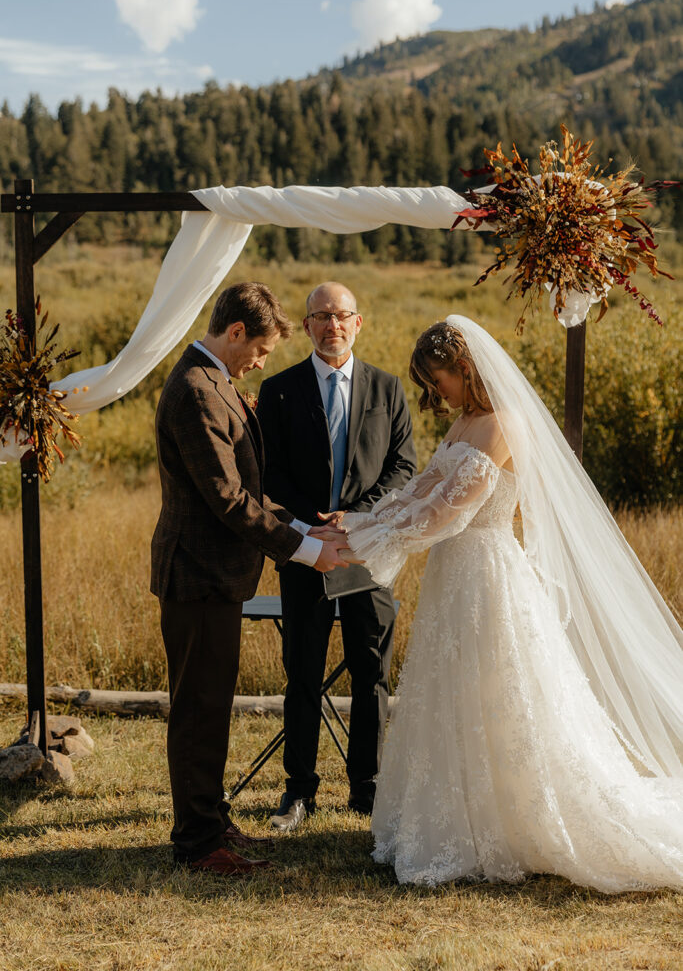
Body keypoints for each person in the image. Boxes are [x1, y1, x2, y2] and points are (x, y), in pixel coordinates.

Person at [341, 315, 683, 892]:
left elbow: (450, 512)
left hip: (489, 574)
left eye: (439, 379)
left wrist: (365, 539)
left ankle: (517, 818)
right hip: (454, 574)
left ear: (466, 369)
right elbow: (420, 492)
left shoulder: (503, 424)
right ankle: (462, 815)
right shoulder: (462, 423)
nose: (435, 392)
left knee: (504, 693)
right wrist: (356, 523)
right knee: (454, 691)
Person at [150, 281, 348, 876]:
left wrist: (308, 532)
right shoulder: (195, 391)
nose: (261, 363)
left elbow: (253, 495)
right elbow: (230, 501)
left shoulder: (214, 383)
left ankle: (210, 821)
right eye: (258, 350)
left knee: (211, 704)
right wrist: (308, 553)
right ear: (235, 332)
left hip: (217, 576)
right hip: (198, 575)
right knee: (199, 709)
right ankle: (198, 843)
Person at [257, 281, 417, 829]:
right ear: (305, 326)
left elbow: (402, 469)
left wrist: (359, 519)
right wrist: (310, 529)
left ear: (358, 322)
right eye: (321, 316)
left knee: (371, 672)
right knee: (302, 671)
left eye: (342, 316)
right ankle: (299, 791)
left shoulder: (388, 389)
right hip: (305, 552)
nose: (332, 325)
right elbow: (269, 473)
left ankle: (366, 789)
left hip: (369, 555)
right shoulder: (277, 391)